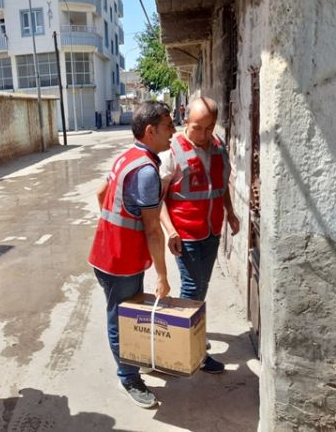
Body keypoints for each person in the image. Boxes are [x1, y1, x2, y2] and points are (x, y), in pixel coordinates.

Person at [88, 100, 175, 408]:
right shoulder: (147, 171)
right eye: (168, 126)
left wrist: (113, 230)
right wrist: (162, 276)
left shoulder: (127, 157)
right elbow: (153, 230)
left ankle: (135, 362)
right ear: (151, 131)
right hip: (120, 262)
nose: (173, 132)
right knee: (121, 320)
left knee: (126, 313)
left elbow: (101, 193)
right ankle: (128, 376)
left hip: (107, 253)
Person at [160, 97, 240, 374]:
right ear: (185, 120)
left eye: (209, 128)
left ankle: (188, 335)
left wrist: (231, 212)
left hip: (212, 231)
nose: (204, 134)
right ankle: (189, 350)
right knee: (192, 290)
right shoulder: (172, 151)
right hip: (186, 235)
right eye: (197, 128)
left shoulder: (218, 147)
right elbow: (158, 199)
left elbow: (221, 186)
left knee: (200, 288)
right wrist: (170, 230)